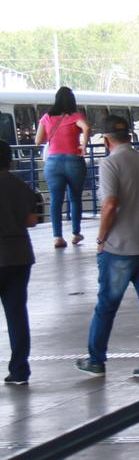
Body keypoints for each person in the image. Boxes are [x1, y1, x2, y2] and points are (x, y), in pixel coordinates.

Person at [75, 115, 139, 379]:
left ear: (106, 140)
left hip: (118, 249)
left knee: (106, 305)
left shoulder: (109, 164)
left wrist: (101, 239)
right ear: (130, 136)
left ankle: (96, 360)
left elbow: (110, 204)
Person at [1, 139, 41, 385]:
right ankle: (19, 370)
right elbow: (32, 221)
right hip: (19, 255)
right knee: (17, 314)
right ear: (10, 159)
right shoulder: (22, 186)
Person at [34, 86, 90, 249]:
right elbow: (86, 127)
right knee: (75, 198)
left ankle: (57, 237)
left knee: (56, 200)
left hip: (53, 163)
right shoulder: (76, 116)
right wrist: (83, 145)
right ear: (72, 101)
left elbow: (38, 141)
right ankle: (75, 234)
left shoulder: (46, 118)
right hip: (74, 160)